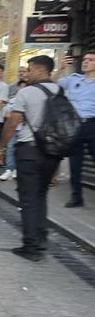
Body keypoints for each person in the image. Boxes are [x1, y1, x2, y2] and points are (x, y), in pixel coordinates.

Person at [0, 55, 60, 261]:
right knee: (41, 195)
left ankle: (30, 246)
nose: (27, 73)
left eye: (30, 69)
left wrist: (1, 148)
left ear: (40, 71)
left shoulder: (27, 92)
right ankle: (41, 239)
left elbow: (12, 124)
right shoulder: (61, 91)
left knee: (28, 199)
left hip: (29, 151)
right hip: (51, 152)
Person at [58, 50, 95, 208]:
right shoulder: (73, 79)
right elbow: (52, 83)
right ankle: (76, 198)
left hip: (92, 125)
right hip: (74, 125)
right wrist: (60, 68)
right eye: (85, 59)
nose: (85, 62)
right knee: (75, 164)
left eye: (90, 60)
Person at [0, 79, 28, 181]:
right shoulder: (13, 100)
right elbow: (5, 112)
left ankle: (17, 169)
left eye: (25, 87)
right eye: (21, 87)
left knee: (22, 150)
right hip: (13, 129)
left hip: (26, 131)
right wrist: (13, 116)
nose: (22, 89)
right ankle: (9, 169)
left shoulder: (30, 100)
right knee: (11, 148)